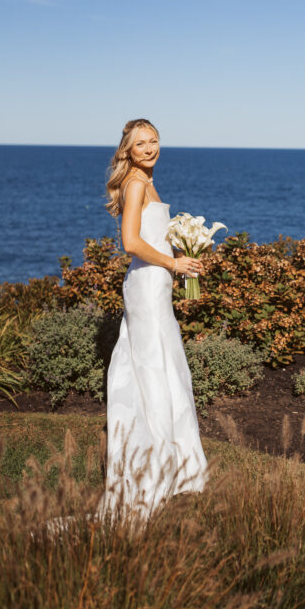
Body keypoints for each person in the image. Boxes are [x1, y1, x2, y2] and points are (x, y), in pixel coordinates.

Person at [102, 118, 208, 515]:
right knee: (149, 369)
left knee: (164, 367)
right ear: (127, 150)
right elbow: (130, 242)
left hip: (155, 285)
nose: (149, 149)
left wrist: (179, 264)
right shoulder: (134, 183)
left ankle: (176, 466)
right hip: (145, 288)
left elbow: (153, 235)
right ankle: (154, 465)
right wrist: (173, 263)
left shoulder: (145, 181)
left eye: (154, 141)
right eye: (140, 144)